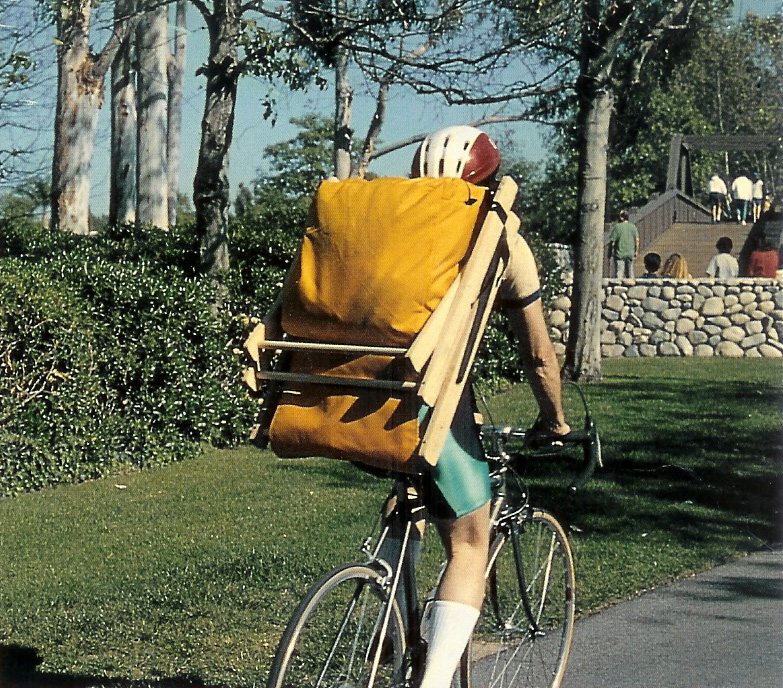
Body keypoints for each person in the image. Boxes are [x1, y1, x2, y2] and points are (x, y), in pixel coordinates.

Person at [406, 126, 571, 688]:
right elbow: (539, 354)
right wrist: (555, 419)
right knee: (471, 541)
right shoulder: (501, 240)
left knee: (410, 501)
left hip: (359, 395)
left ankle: (389, 613)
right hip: (433, 401)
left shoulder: (392, 230)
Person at [608, 209, 639, 278]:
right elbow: (637, 240)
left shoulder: (617, 227)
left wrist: (610, 252)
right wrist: (636, 251)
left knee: (619, 272)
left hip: (620, 254)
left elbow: (612, 242)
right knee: (630, 273)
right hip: (630, 253)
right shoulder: (633, 227)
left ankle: (618, 287)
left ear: (621, 217)